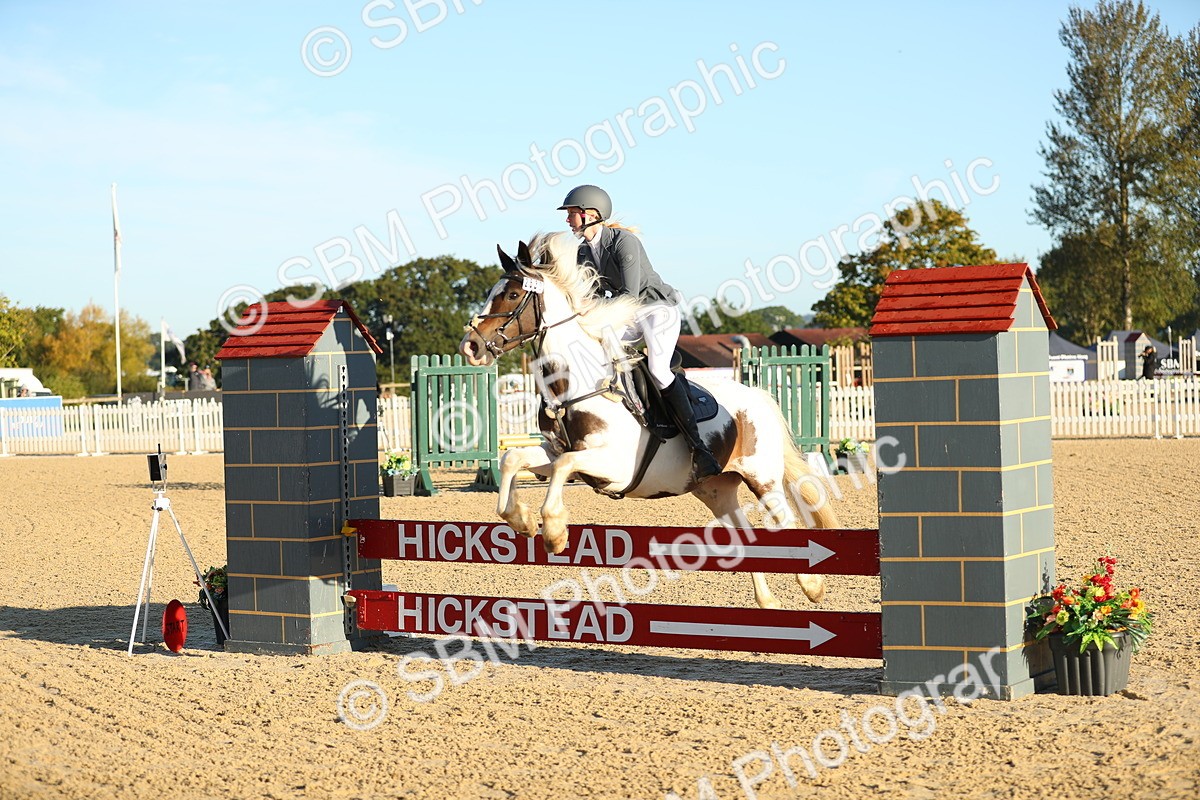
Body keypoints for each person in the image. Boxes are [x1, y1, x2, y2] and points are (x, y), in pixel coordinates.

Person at [558, 184, 720, 480]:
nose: (568, 220)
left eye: (572, 214)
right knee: (595, 353)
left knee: (659, 369)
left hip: (656, 309)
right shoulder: (583, 251)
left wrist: (598, 313)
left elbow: (630, 295)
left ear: (590, 214)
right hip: (628, 314)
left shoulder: (624, 242)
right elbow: (592, 296)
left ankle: (699, 447)